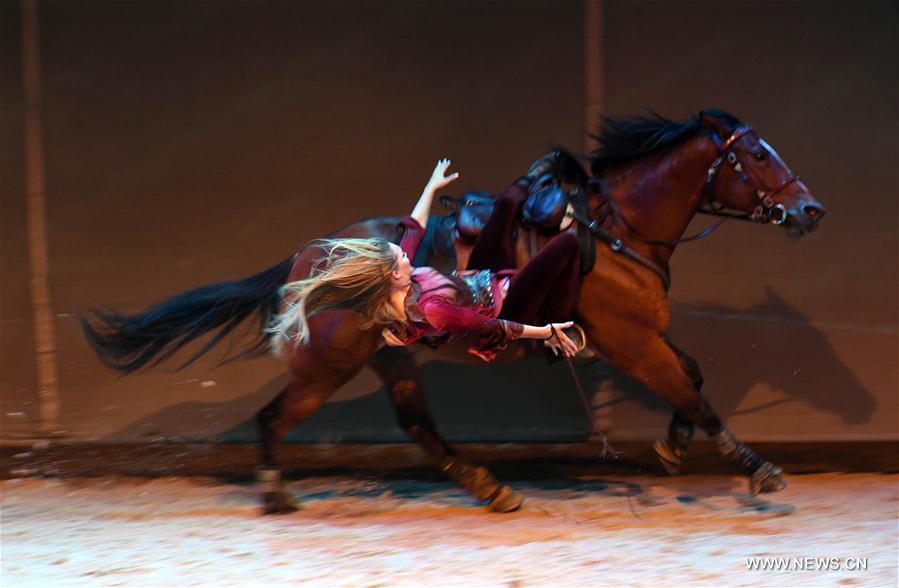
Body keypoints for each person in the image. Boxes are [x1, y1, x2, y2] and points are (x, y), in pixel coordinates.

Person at [269, 156, 583, 361]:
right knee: (568, 244)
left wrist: (432, 184)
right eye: (399, 257)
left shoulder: (404, 280)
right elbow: (495, 325)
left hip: (482, 275)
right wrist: (546, 332)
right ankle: (563, 324)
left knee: (508, 200)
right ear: (395, 274)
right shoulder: (432, 310)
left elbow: (414, 226)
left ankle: (529, 181)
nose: (405, 255)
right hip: (508, 303)